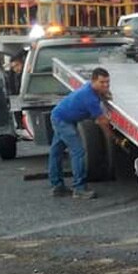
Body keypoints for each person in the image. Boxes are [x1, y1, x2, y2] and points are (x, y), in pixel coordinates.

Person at [48, 67, 111, 199]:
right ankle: (79, 188)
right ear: (93, 81)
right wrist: (109, 136)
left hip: (59, 115)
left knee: (56, 152)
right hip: (63, 121)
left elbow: (100, 94)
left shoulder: (89, 87)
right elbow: (102, 121)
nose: (105, 85)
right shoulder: (90, 98)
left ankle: (57, 187)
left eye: (107, 82)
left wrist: (104, 93)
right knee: (78, 152)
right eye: (102, 82)